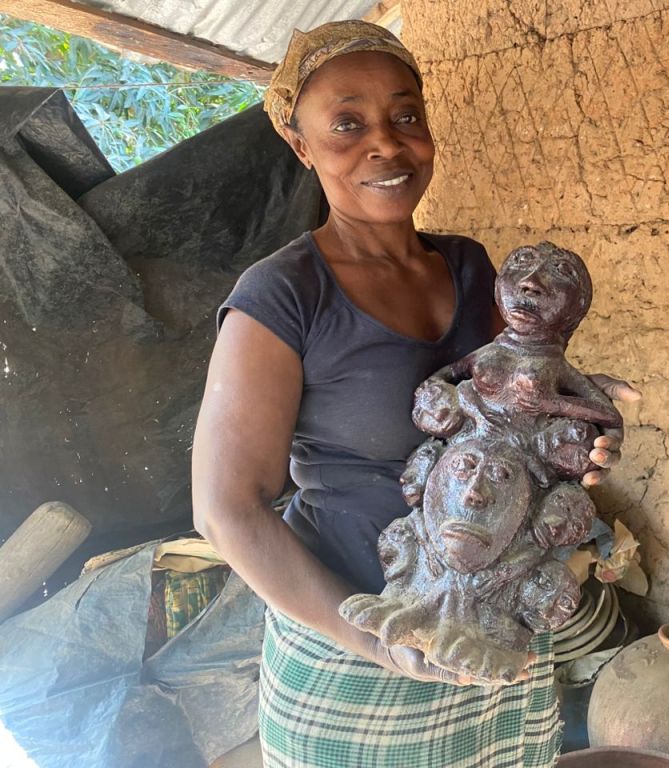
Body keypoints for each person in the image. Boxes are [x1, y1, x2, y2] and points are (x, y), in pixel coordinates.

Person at [191, 20, 638, 768]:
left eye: (406, 115)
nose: (387, 144)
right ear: (301, 145)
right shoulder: (282, 294)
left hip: (493, 641)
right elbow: (225, 510)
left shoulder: (471, 268)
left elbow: (515, 428)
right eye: (346, 124)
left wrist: (586, 439)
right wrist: (369, 639)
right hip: (352, 652)